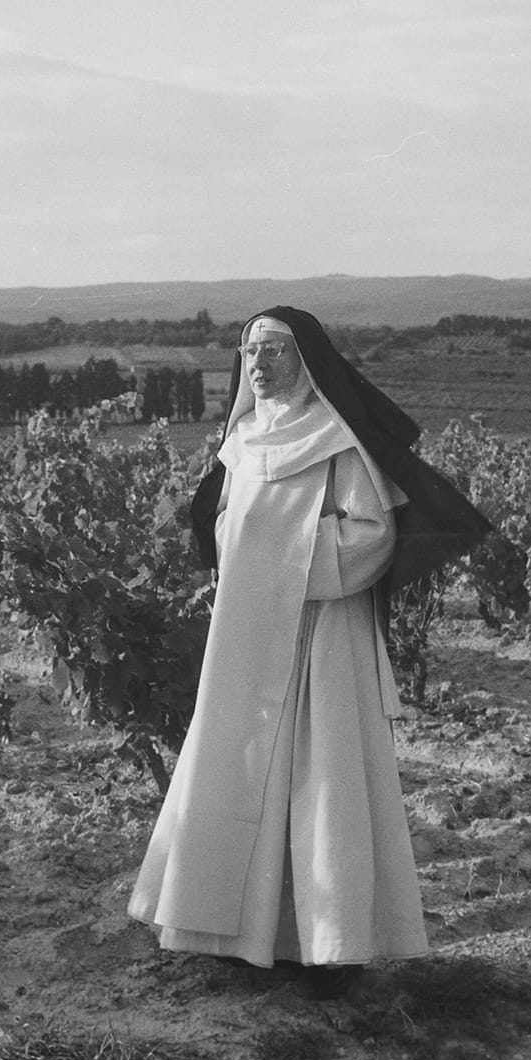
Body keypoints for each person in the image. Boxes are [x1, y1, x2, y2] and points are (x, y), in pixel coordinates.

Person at [128, 308, 491, 997]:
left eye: (275, 351)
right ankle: (226, 931)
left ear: (309, 363)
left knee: (320, 775)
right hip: (244, 632)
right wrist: (252, 562)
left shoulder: (337, 441)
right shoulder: (239, 443)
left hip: (319, 634)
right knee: (235, 764)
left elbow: (371, 537)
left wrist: (282, 567)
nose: (259, 364)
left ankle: (324, 938)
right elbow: (230, 529)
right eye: (251, 351)